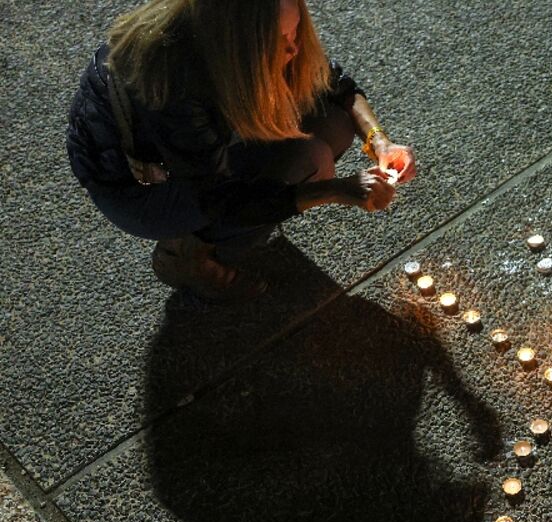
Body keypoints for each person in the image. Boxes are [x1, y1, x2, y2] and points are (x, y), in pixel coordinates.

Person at [66, 0, 415, 301]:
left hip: (194, 156)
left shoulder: (231, 35)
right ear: (238, 40)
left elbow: (333, 84)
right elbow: (220, 200)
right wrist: (335, 191)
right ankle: (186, 256)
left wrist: (379, 141)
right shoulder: (175, 83)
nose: (293, 49)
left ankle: (253, 205)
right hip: (139, 191)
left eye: (295, 33)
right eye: (282, 41)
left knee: (335, 122)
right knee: (309, 161)